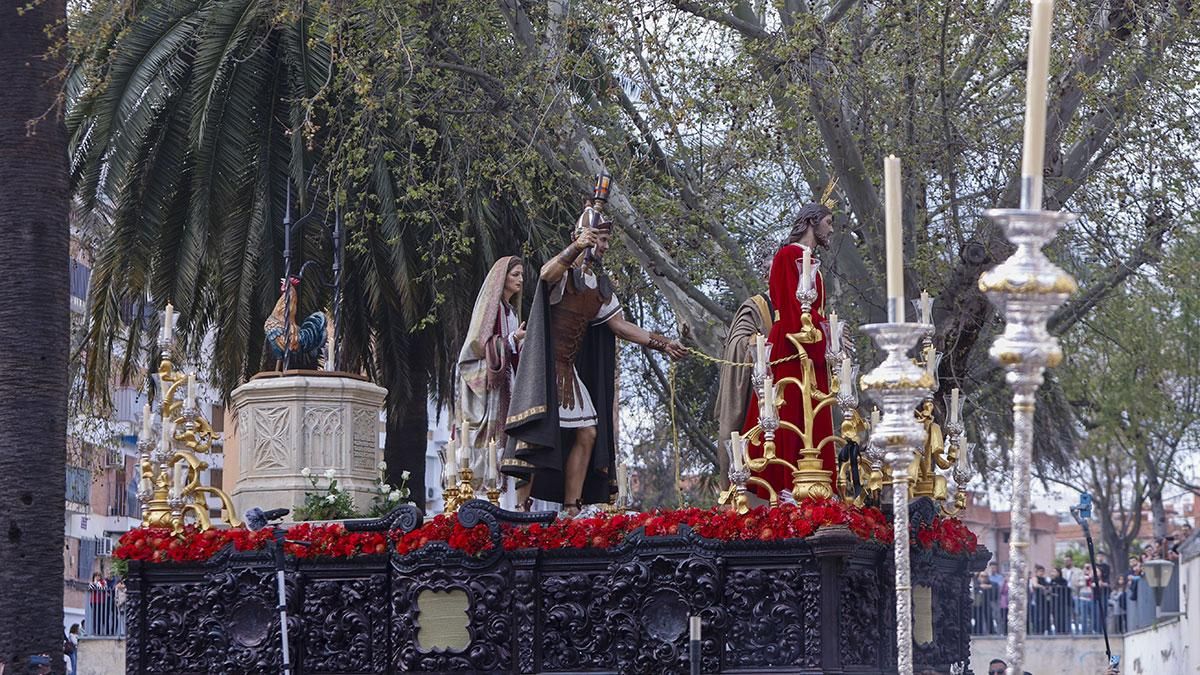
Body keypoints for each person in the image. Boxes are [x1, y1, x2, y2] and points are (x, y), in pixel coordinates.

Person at [504, 203, 686, 514]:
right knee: (534, 435)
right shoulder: (564, 276)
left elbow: (621, 327)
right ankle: (521, 508)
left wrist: (663, 342)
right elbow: (546, 276)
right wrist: (576, 246)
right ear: (583, 235)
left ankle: (572, 506)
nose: (603, 246)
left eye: (605, 241)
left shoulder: (600, 289)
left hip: (568, 371)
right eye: (599, 239)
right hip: (544, 368)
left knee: (587, 432)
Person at [741, 203, 837, 499]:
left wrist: (832, 339)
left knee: (816, 409)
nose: (831, 229)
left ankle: (819, 481)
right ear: (811, 222)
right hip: (793, 343)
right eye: (828, 222)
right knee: (791, 408)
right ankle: (787, 483)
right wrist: (819, 339)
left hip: (813, 344)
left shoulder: (811, 259)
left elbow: (815, 312)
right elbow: (793, 308)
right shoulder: (787, 255)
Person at [458, 256, 526, 495]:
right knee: (487, 440)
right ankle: (483, 491)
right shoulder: (491, 308)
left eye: (521, 274)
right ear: (502, 278)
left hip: (507, 384)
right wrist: (511, 340)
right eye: (515, 274)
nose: (520, 279)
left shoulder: (511, 313)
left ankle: (505, 496)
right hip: (491, 389)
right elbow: (475, 347)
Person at [713, 242, 776, 487]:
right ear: (764, 273)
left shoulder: (800, 305)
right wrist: (766, 345)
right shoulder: (756, 306)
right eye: (774, 268)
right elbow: (737, 344)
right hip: (759, 396)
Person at [264, 275, 327, 369]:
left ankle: (278, 369)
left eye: (286, 285)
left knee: (279, 356)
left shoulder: (274, 322)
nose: (283, 286)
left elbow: (282, 345)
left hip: (287, 346)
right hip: (288, 345)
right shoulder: (278, 319)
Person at [1049, 567, 1072, 635]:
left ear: (1058, 573)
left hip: (1062, 602)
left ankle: (1063, 631)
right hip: (1054, 602)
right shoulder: (1052, 581)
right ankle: (1057, 631)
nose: (1053, 573)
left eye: (1054, 572)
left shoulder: (1063, 581)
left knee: (1062, 617)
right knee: (1055, 617)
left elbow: (1065, 589)